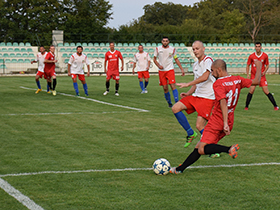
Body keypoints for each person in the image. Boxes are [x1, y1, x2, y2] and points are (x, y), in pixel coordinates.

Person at [169, 59, 262, 174]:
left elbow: (223, 102)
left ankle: (228, 149)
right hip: (230, 119)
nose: (212, 74)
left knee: (202, 149)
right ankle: (179, 169)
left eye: (213, 71)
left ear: (219, 70)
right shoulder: (237, 79)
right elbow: (257, 81)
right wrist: (259, 66)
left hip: (217, 121)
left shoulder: (218, 84)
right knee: (200, 146)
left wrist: (224, 124)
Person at [172, 41, 216, 148]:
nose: (195, 51)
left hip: (207, 98)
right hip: (196, 96)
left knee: (200, 125)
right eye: (194, 49)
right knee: (175, 108)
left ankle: (214, 149)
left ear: (203, 49)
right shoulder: (195, 64)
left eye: (197, 48)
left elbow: (205, 77)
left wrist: (188, 83)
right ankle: (190, 133)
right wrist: (188, 93)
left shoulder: (208, 60)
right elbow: (196, 83)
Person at [245, 42, 279, 110]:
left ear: (261, 47)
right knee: (251, 90)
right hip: (254, 77)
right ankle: (246, 106)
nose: (257, 48)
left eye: (259, 46)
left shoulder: (265, 55)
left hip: (262, 77)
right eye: (256, 46)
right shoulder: (251, 56)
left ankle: (275, 106)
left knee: (266, 91)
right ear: (255, 47)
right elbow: (248, 65)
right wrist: (247, 74)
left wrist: (264, 71)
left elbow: (267, 65)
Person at [153, 37, 185, 107]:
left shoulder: (172, 49)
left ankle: (177, 102)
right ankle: (169, 102)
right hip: (162, 71)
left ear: (168, 42)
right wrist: (158, 65)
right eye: (163, 41)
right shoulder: (158, 49)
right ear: (161, 42)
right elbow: (154, 59)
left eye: (166, 41)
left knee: (172, 85)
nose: (165, 42)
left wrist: (181, 69)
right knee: (165, 88)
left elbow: (176, 59)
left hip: (170, 69)